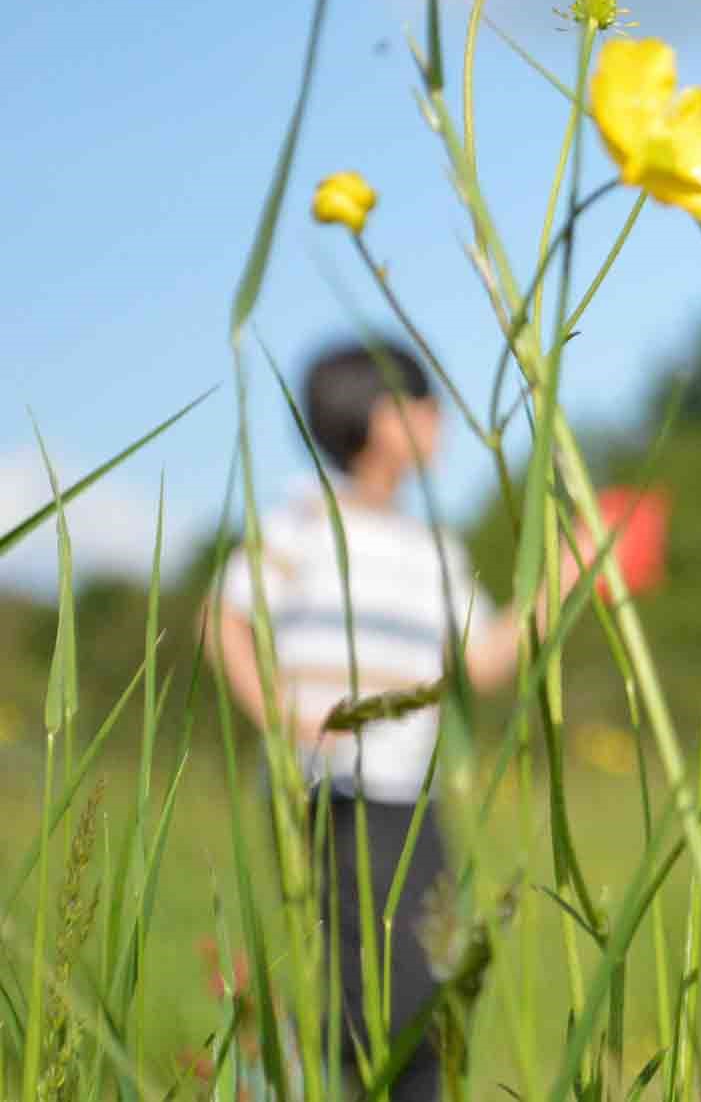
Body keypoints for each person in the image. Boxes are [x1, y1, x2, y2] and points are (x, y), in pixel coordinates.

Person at [207, 340, 571, 1101]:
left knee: (427, 989)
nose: (442, 419)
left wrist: (562, 584)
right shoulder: (301, 524)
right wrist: (284, 715)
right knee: (374, 995)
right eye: (424, 405)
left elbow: (482, 662)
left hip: (414, 793)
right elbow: (224, 621)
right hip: (334, 792)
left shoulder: (432, 548)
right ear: (378, 420)